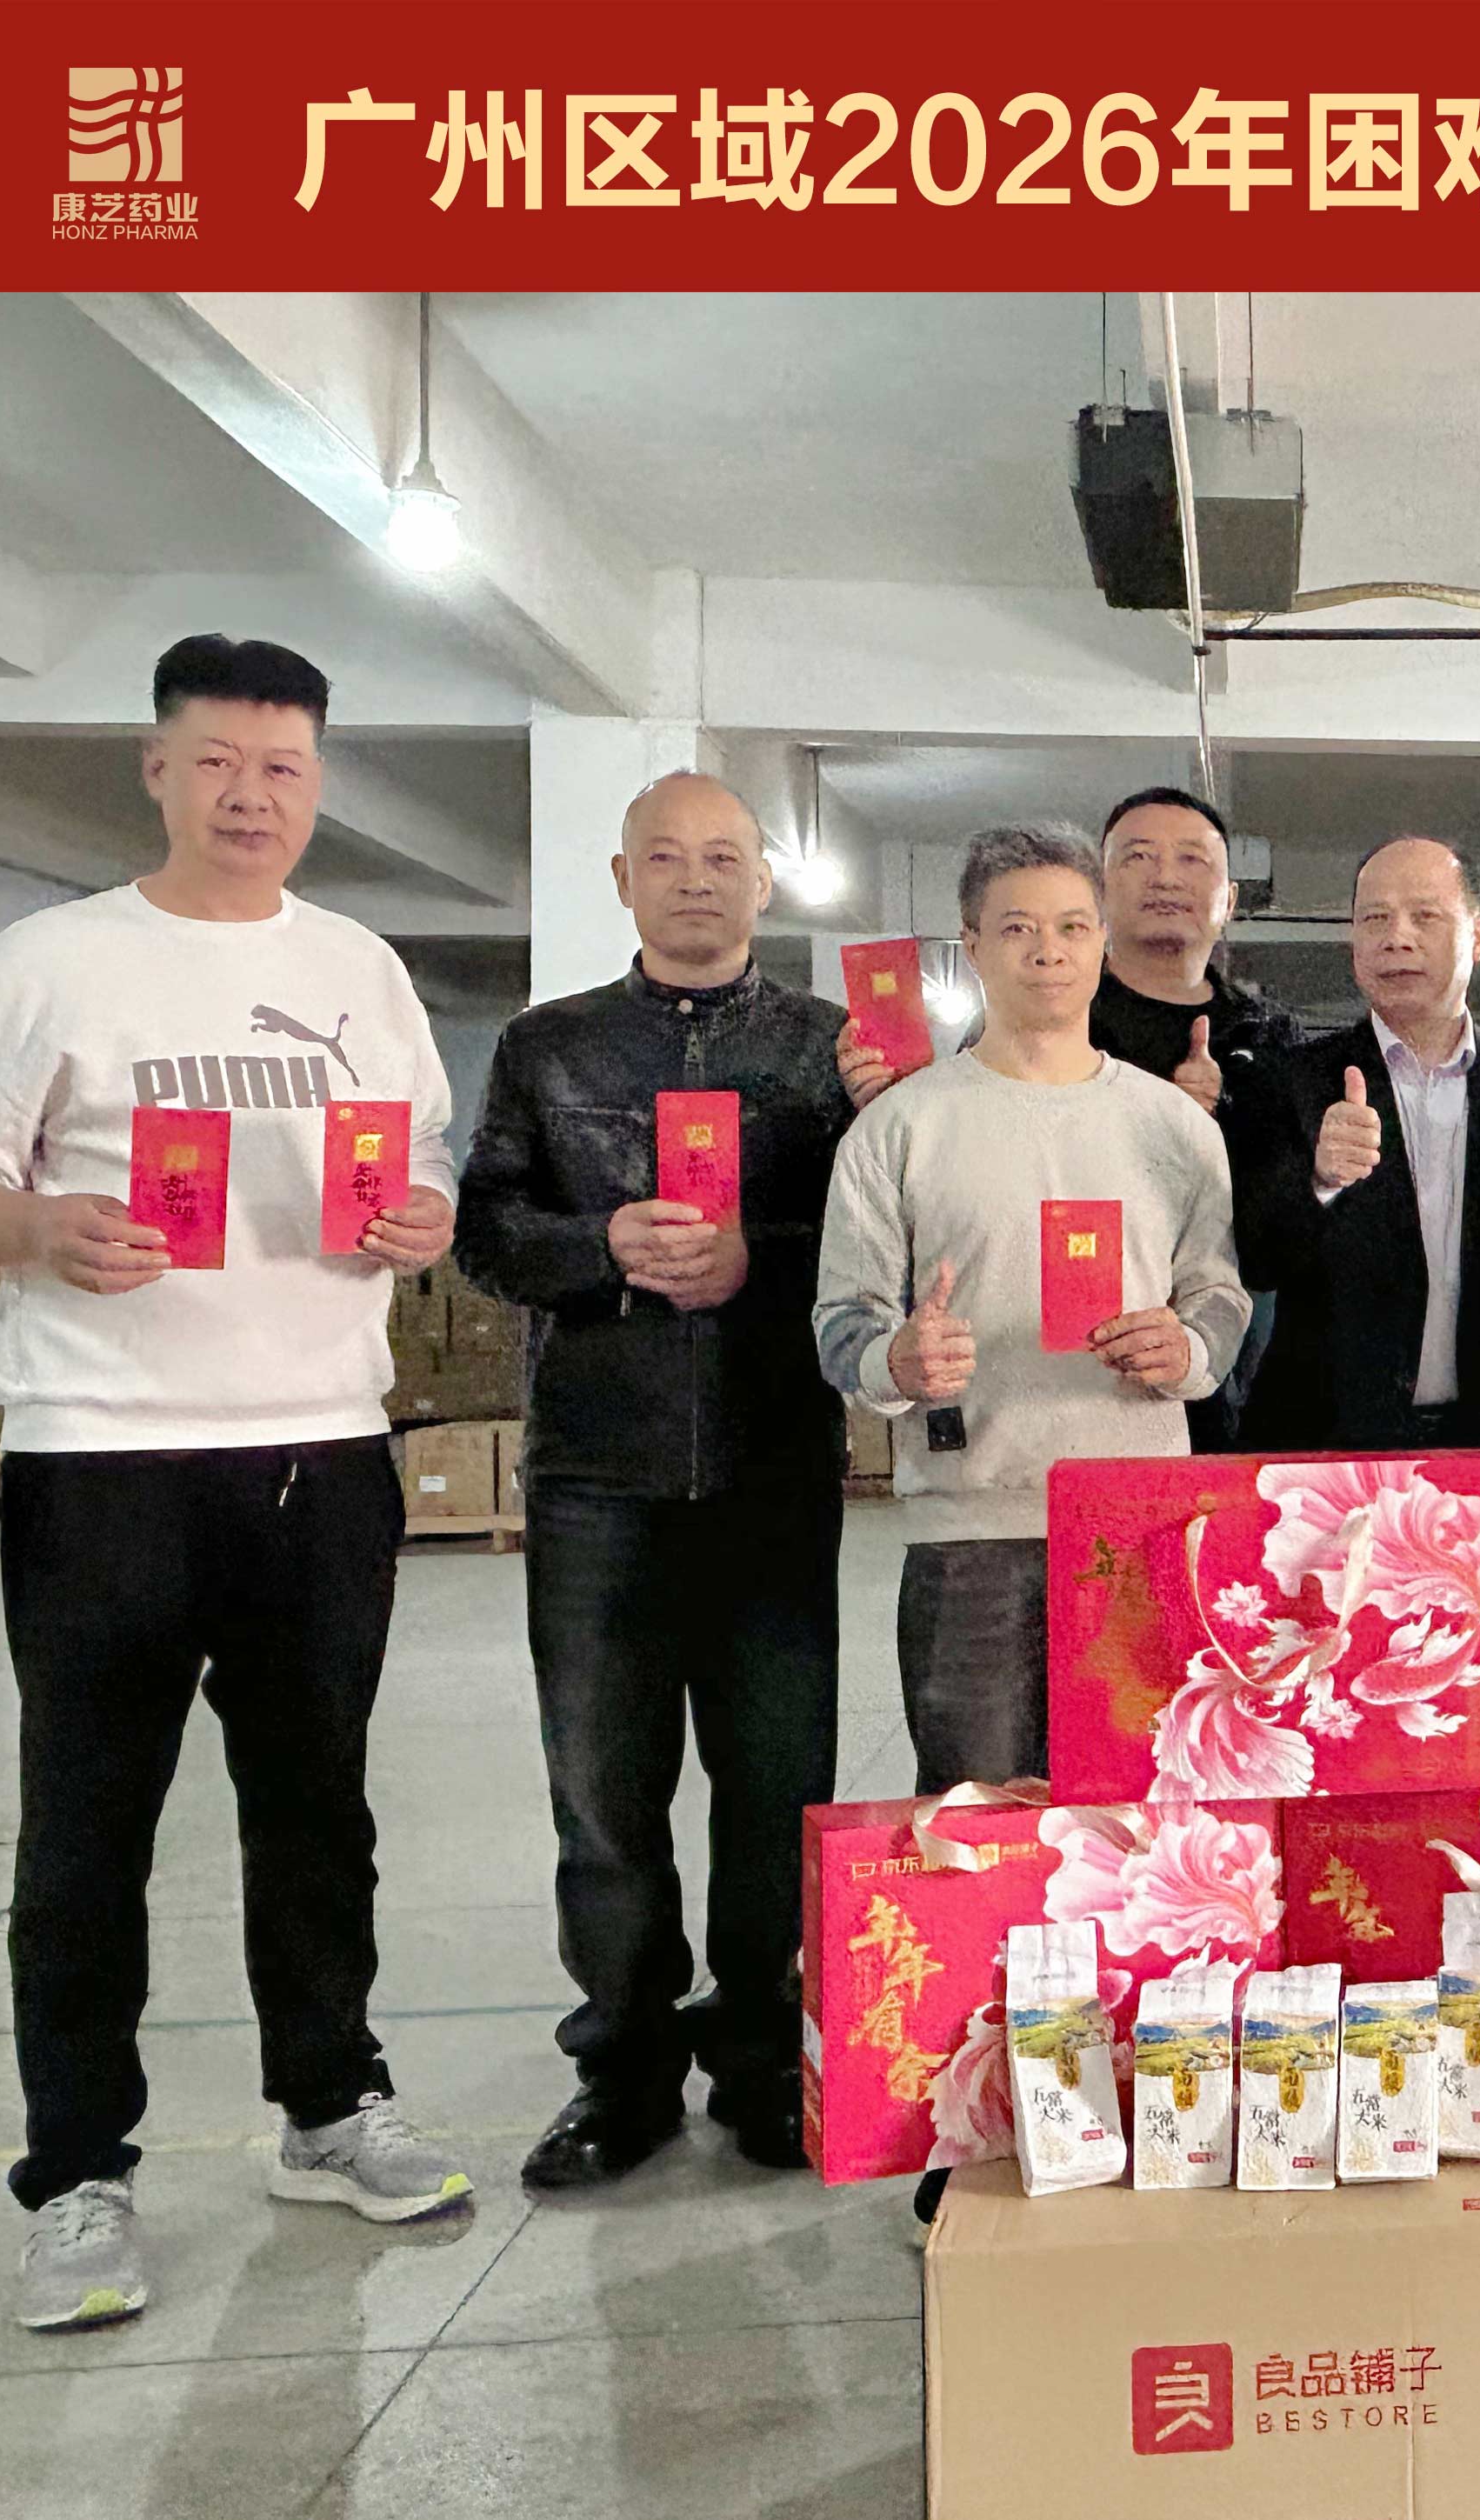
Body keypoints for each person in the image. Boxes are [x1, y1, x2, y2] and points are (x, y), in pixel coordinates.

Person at [0, 636, 473, 2333]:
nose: (255, 796)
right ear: (158, 769)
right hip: (102, 1451)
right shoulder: (52, 963)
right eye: (222, 763)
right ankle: (76, 2173)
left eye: (286, 769)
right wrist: (39, 1227)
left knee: (316, 1803)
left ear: (318, 784)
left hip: (320, 1445)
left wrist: (424, 1220)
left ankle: (329, 2105)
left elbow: (422, 1169)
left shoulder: (357, 969)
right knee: (87, 1825)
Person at [457, 770, 889, 2190]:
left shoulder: (831, 1052)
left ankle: (764, 2054)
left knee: (776, 1780)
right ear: (622, 878)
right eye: (665, 855)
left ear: (764, 880)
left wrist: (763, 1251)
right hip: (597, 1471)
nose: (694, 878)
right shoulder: (548, 1047)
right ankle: (623, 2066)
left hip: (773, 1462)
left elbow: (883, 1230)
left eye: (721, 856)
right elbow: (485, 1231)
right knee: (603, 1787)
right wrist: (603, 1247)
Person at [814, 822, 1250, 1795]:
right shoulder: (900, 1127)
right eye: (1016, 928)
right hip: (967, 1529)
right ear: (972, 947)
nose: (1047, 951)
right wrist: (896, 1362)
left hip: (1138, 1525)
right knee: (975, 1824)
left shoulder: (1174, 1126)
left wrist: (1184, 1350)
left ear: (1102, 943)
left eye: (1070, 927)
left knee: (1139, 1824)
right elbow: (842, 1321)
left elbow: (1219, 1297)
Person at [1228, 837, 1480, 1761]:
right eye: (1374, 918)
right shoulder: (1291, 1083)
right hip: (1327, 1458)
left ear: (1478, 936)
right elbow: (1254, 1256)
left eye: (1425, 916)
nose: (1397, 937)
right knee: (1327, 1733)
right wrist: (1317, 1180)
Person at [1083, 786, 1301, 1449]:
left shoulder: (1268, 1035)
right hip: (1074, 1345)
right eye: (1139, 857)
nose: (1165, 878)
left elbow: (1281, 1225)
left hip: (1230, 1364)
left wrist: (1221, 1122)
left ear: (1228, 900)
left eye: (1191, 859)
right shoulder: (1055, 1017)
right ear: (1099, 889)